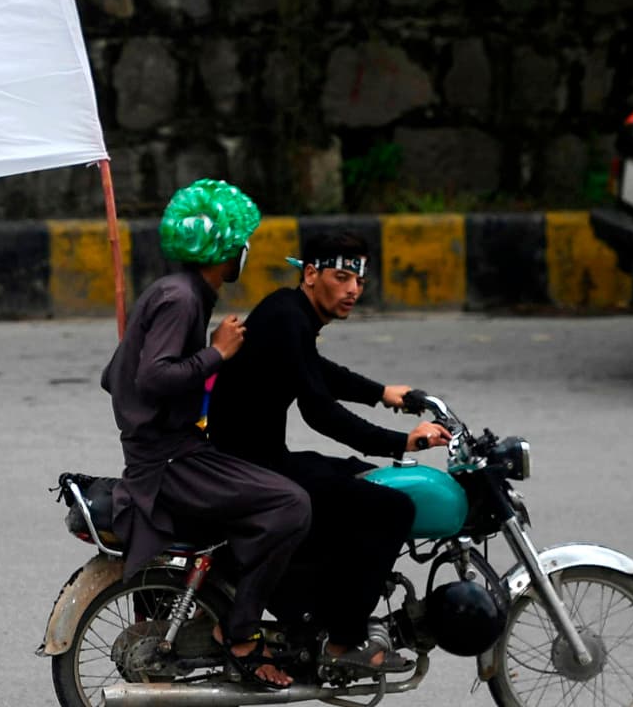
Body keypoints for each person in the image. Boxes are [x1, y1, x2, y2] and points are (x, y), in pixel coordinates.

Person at [204, 232, 450, 674]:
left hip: (255, 456)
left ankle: (317, 608)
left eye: (359, 280)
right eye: (342, 277)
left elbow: (315, 370)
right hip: (249, 466)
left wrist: (384, 393)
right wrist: (401, 442)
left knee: (360, 476)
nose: (353, 289)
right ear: (312, 274)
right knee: (391, 508)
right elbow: (320, 412)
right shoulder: (287, 319)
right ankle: (344, 640)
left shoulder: (288, 312)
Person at [100, 179, 312, 690]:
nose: (244, 253)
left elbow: (117, 375)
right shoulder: (182, 299)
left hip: (171, 449)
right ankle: (240, 634)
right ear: (225, 249)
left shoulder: (177, 289)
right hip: (170, 462)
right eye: (242, 244)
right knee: (291, 505)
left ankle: (222, 599)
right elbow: (153, 375)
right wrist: (217, 352)